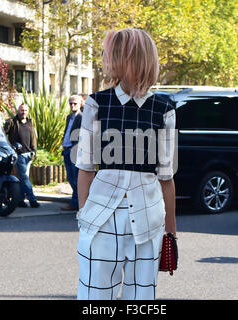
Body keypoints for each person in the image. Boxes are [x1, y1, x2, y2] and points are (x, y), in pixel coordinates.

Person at [75, 28, 177, 300]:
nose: (108, 58)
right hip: (100, 222)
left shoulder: (164, 109)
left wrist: (171, 232)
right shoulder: (96, 104)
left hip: (148, 223)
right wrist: (82, 218)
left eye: (114, 53)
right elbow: (85, 169)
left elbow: (166, 176)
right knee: (94, 298)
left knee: (141, 299)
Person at [4, 103, 40, 208]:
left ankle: (19, 200)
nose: (23, 112)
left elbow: (33, 137)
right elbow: (3, 134)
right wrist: (10, 147)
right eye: (21, 110)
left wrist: (34, 151)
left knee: (24, 178)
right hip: (19, 154)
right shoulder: (12, 122)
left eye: (25, 110)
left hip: (29, 154)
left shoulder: (30, 122)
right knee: (24, 177)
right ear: (18, 111)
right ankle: (32, 199)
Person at [61, 95, 83, 211]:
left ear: (80, 104)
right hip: (66, 150)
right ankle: (76, 202)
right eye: (71, 103)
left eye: (75, 103)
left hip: (75, 151)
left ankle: (76, 203)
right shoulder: (69, 117)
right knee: (70, 177)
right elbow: (67, 132)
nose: (72, 105)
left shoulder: (82, 117)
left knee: (76, 178)